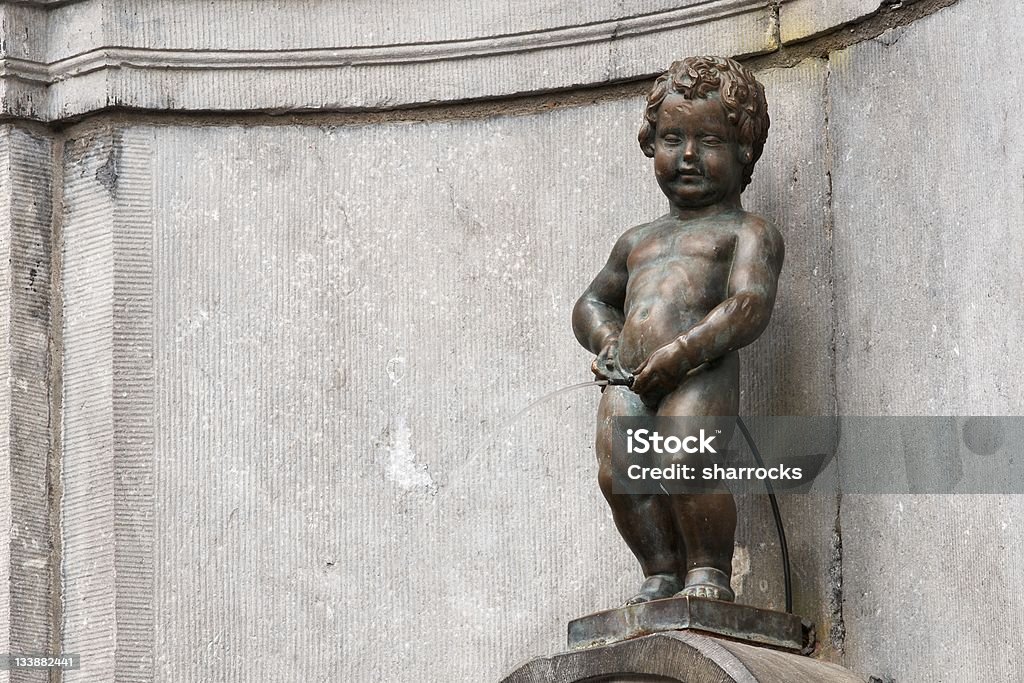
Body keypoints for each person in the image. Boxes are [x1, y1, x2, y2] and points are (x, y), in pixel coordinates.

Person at [572, 55, 783, 604]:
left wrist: (683, 353)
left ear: (744, 151)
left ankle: (709, 569)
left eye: (709, 141)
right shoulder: (637, 240)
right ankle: (660, 571)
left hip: (700, 370)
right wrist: (607, 340)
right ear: (650, 143)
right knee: (619, 472)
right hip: (629, 376)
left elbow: (749, 305)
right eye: (672, 138)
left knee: (686, 460)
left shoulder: (747, 231)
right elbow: (593, 301)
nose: (687, 156)